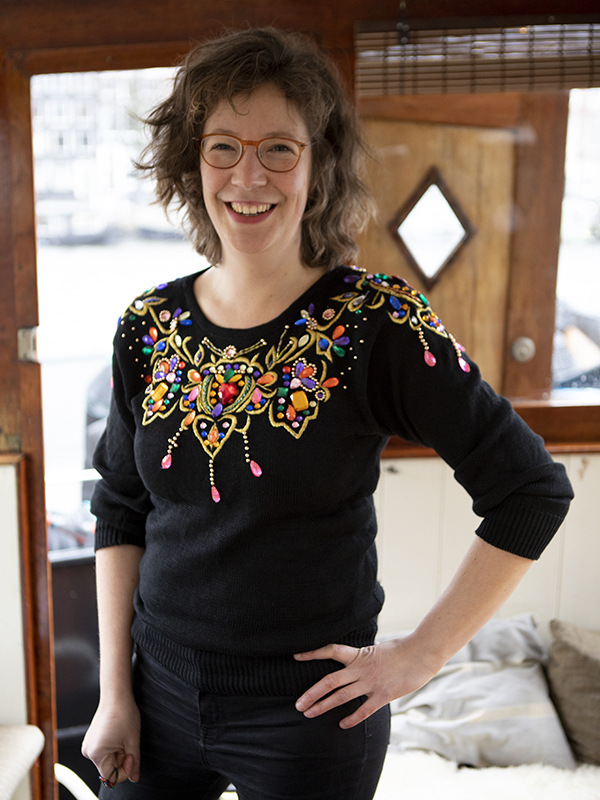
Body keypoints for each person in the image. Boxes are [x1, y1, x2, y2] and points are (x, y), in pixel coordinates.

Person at [81, 26, 573, 800]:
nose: (249, 175)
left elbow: (531, 490)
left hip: (310, 716)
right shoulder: (147, 327)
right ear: (191, 161)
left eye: (279, 148)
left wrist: (418, 657)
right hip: (157, 694)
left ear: (319, 166)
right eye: (223, 147)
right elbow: (119, 508)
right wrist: (115, 694)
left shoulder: (376, 322)